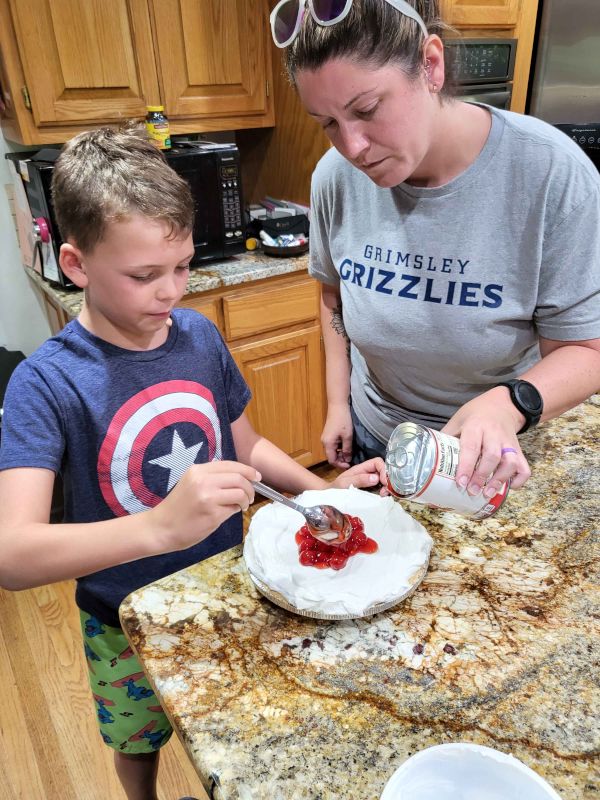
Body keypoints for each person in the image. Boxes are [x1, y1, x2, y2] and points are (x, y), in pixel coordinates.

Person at [0, 125, 387, 800]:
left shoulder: (200, 336)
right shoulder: (45, 384)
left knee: (238, 720)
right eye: (145, 275)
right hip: (123, 613)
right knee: (137, 735)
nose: (171, 292)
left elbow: (246, 444)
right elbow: (13, 554)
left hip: (226, 584)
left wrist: (324, 494)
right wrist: (158, 528)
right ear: (77, 263)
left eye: (181, 266)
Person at [270, 0, 600, 501]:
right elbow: (333, 297)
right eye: (328, 123)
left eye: (366, 110)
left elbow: (587, 350)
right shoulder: (334, 180)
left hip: (492, 459)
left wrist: (510, 402)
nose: (352, 147)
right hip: (378, 444)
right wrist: (339, 404)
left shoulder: (551, 175)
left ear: (431, 65)